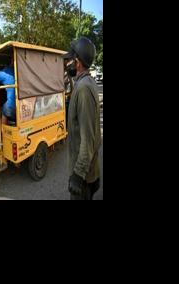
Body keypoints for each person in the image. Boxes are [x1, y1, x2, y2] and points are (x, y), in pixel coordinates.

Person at [63, 37, 101, 200]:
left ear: (77, 62)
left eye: (69, 60)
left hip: (83, 177)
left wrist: (78, 175)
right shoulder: (85, 82)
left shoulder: (84, 89)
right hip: (88, 171)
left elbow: (88, 138)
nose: (66, 64)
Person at [0, 57, 15, 129]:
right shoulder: (18, 70)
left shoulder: (3, 73)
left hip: (11, 106)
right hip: (21, 103)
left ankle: (2, 133)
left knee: (3, 110)